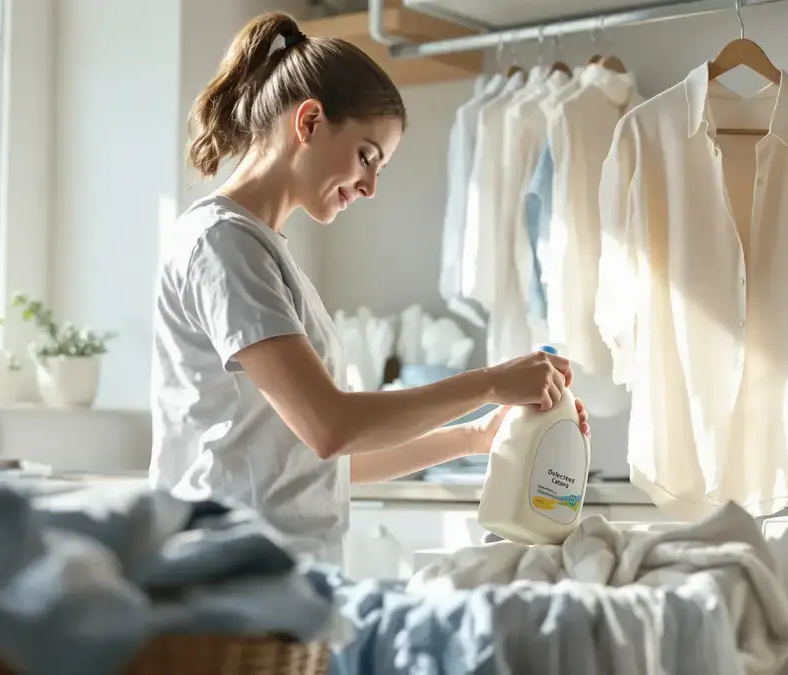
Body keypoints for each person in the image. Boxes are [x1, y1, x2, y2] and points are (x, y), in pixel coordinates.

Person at [149, 11, 590, 566]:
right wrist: (489, 382)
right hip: (227, 579)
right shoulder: (223, 245)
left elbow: (329, 461)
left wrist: (476, 437)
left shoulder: (264, 254)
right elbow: (331, 427)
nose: (371, 185)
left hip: (276, 579)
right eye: (366, 156)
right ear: (308, 122)